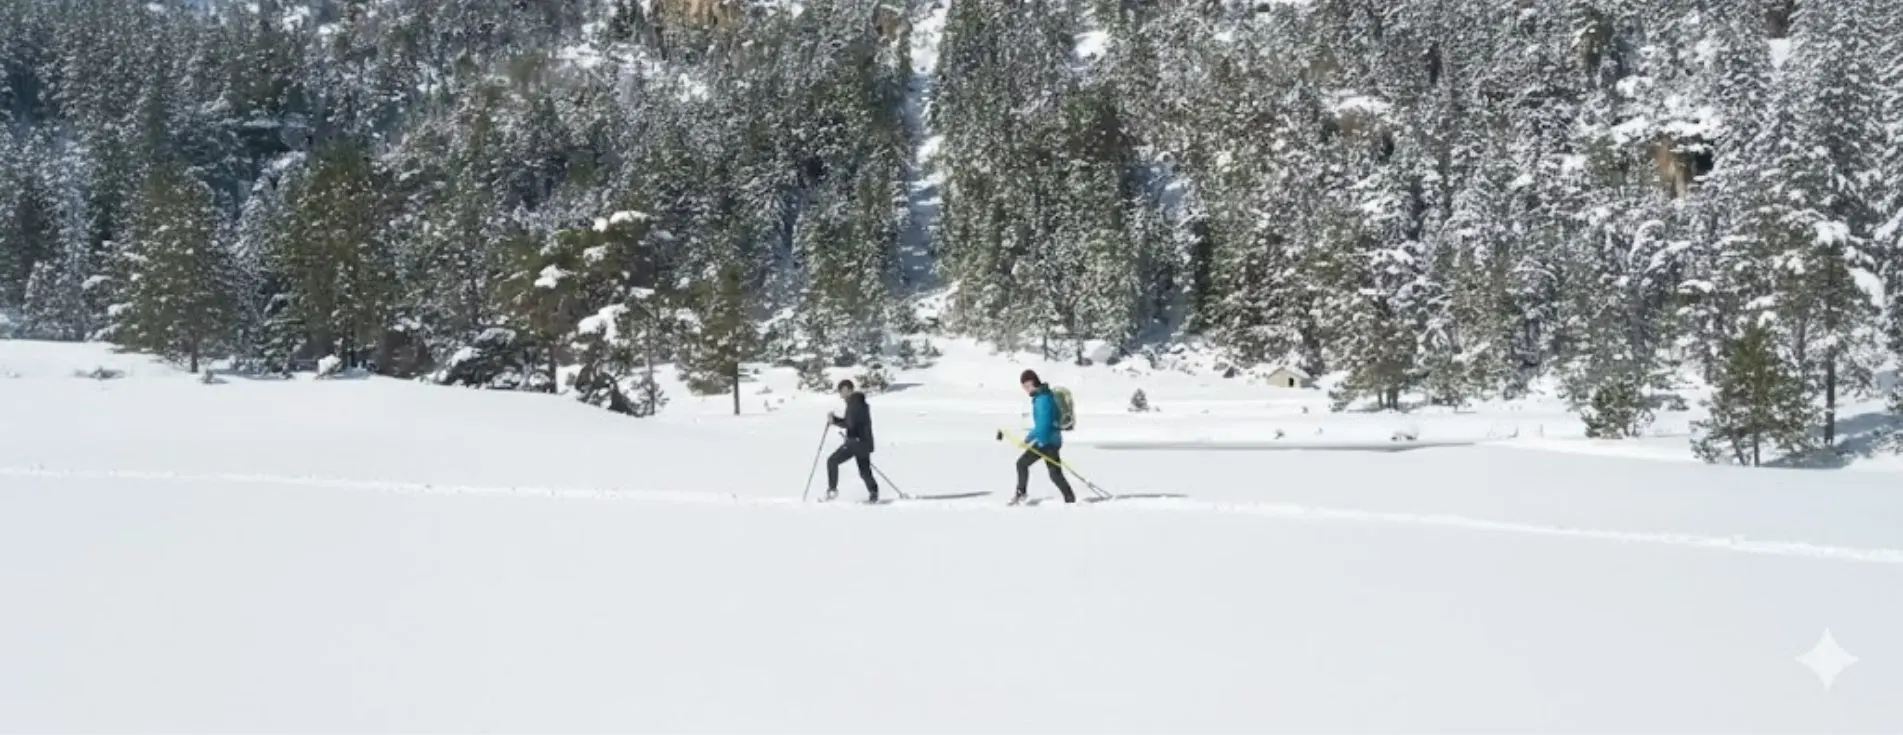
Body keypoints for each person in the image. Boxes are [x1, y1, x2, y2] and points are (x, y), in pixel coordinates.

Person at [1011, 369, 1075, 504]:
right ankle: (1070, 498)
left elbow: (1043, 425)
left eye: (1027, 385)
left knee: (1021, 464)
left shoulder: (1042, 399)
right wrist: (1028, 439)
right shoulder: (1043, 396)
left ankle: (1021, 494)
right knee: (1055, 474)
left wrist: (1041, 443)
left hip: (1047, 442)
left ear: (1034, 382)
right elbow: (1041, 425)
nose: (1026, 389)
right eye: (1024, 387)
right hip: (1051, 440)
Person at [825, 379, 878, 502]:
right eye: (840, 392)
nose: (841, 395)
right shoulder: (858, 402)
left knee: (832, 461)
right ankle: (873, 492)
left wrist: (834, 420)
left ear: (849, 390)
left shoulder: (854, 404)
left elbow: (849, 424)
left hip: (855, 442)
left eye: (842, 391)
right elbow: (852, 422)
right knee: (864, 471)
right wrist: (836, 420)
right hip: (863, 442)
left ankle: (832, 491)